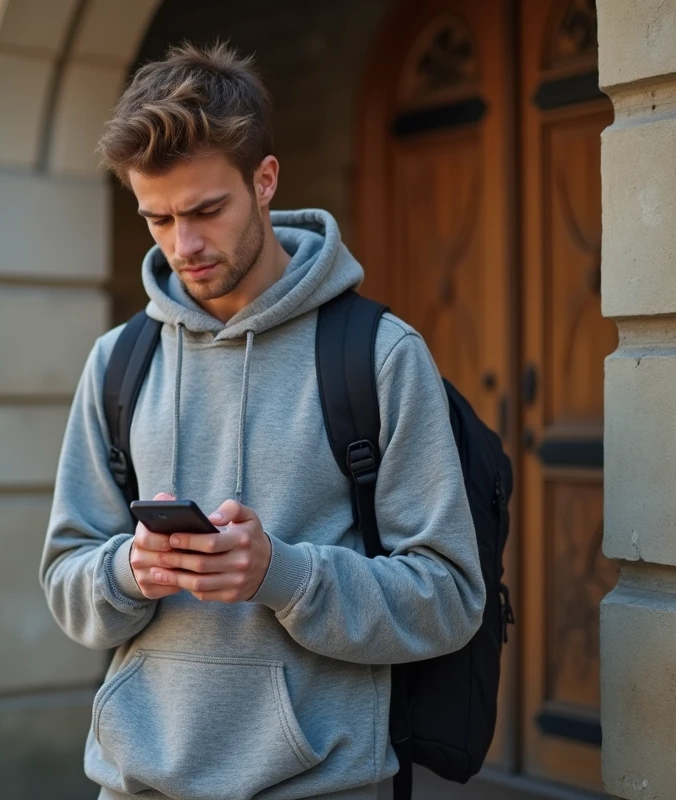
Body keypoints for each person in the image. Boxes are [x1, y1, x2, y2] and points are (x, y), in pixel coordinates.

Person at [39, 41, 485, 800]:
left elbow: (448, 597)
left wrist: (283, 573)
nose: (183, 245)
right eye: (158, 218)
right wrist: (127, 571)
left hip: (321, 785)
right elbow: (64, 577)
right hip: (136, 782)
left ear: (265, 179)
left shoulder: (378, 355)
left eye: (206, 210)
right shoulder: (119, 361)